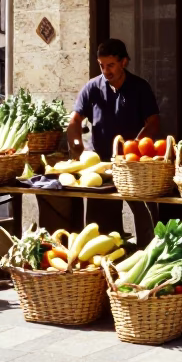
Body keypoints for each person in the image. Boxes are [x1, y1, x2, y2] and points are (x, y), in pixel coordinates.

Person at [37, 39, 160, 243]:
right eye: (101, 65)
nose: (106, 71)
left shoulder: (140, 87)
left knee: (146, 220)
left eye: (110, 65)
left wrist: (136, 148)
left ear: (124, 62)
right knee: (101, 230)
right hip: (100, 167)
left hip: (133, 166)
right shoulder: (92, 88)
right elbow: (75, 120)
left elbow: (154, 123)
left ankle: (149, 254)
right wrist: (77, 148)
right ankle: (109, 262)